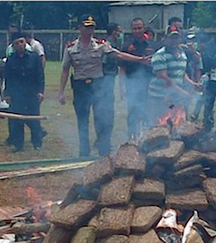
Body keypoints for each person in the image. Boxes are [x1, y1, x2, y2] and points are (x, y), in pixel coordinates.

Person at [57, 14, 149, 157]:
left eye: (92, 27)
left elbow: (118, 55)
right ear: (80, 28)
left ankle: (104, 152)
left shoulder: (100, 45)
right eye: (86, 27)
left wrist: (139, 59)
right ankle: (84, 153)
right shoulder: (70, 48)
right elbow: (65, 70)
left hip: (98, 85)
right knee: (82, 121)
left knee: (102, 120)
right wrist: (61, 92)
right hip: (80, 86)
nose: (89, 30)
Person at [146, 25, 201, 127]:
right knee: (159, 127)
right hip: (159, 98)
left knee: (178, 125)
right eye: (171, 38)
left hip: (175, 97)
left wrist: (193, 83)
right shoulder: (159, 55)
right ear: (165, 39)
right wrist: (183, 92)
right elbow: (165, 79)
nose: (174, 40)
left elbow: (181, 72)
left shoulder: (182, 54)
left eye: (176, 37)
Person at [3, 32, 45, 152]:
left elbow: (40, 76)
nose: (20, 45)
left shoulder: (34, 57)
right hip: (17, 94)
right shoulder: (10, 60)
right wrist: (7, 94)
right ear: (13, 45)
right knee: (17, 120)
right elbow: (8, 78)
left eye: (22, 42)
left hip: (32, 93)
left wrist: (40, 91)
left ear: (25, 42)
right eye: (17, 43)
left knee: (34, 118)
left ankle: (37, 143)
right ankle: (18, 145)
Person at [121, 18, 156, 140]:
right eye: (135, 28)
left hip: (149, 84)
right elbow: (122, 68)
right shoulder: (127, 46)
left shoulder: (152, 45)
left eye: (140, 28)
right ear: (131, 30)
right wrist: (122, 88)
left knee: (148, 110)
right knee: (133, 110)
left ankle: (147, 137)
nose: (137, 31)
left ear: (144, 28)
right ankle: (132, 137)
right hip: (132, 84)